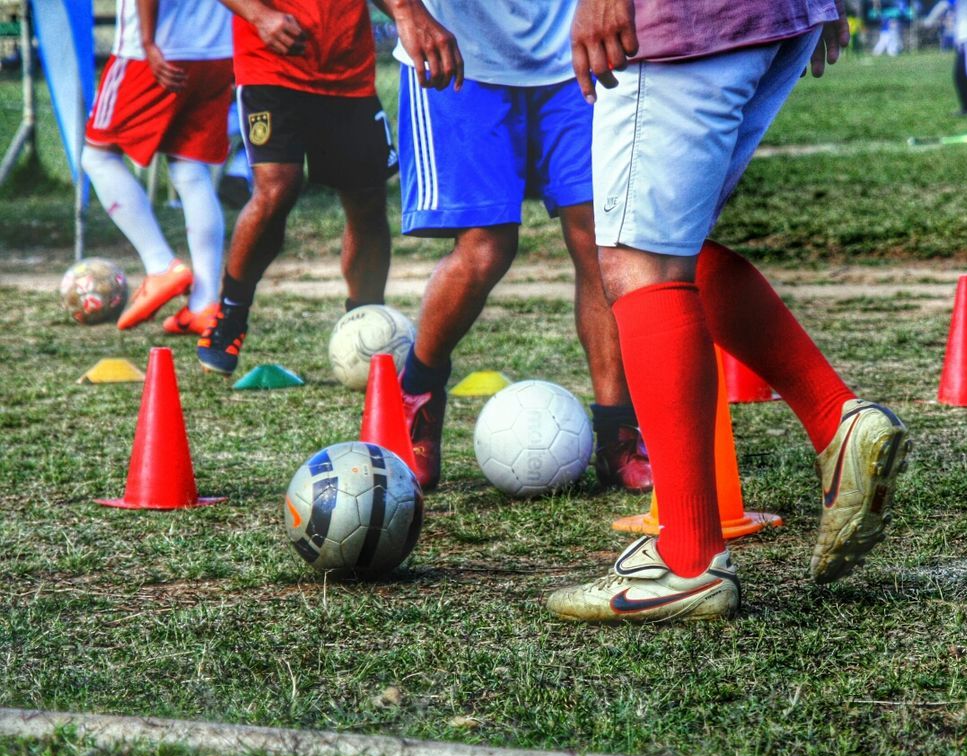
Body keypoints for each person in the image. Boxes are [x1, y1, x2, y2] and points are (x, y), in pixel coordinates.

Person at [547, 0, 912, 622]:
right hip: (772, 16)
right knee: (668, 248)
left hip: (679, 25)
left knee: (642, 265)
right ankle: (834, 418)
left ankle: (687, 562)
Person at [393, 3, 651, 493]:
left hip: (576, 47)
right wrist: (407, 12)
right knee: (486, 250)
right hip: (459, 51)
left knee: (602, 238)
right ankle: (418, 395)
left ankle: (617, 431)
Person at [196, 0, 462, 375]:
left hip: (347, 72)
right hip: (271, 63)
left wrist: (407, 14)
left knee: (366, 199)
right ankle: (231, 313)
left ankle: (367, 323)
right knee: (278, 189)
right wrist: (259, 15)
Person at [81, 0, 233, 335]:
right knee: (191, 171)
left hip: (155, 49)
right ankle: (205, 304)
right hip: (217, 46)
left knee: (98, 156)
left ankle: (160, 264)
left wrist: (149, 42)